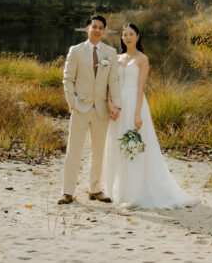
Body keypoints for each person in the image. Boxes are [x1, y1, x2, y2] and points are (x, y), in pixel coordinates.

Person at [102, 23, 195, 209]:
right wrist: (110, 103)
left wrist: (137, 113)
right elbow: (111, 83)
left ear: (137, 36)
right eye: (124, 34)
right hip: (117, 105)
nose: (127, 37)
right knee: (116, 143)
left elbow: (140, 87)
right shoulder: (116, 58)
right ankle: (115, 189)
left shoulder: (142, 59)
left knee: (133, 144)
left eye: (131, 34)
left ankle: (133, 192)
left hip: (134, 103)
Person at [58, 14, 122, 204]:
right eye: (94, 27)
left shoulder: (110, 53)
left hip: (101, 109)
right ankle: (67, 192)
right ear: (87, 29)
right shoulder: (76, 51)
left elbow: (113, 80)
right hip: (80, 108)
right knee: (73, 151)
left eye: (101, 27)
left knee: (98, 151)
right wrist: (72, 104)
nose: (97, 30)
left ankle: (95, 189)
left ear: (104, 31)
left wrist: (116, 105)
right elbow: (68, 79)